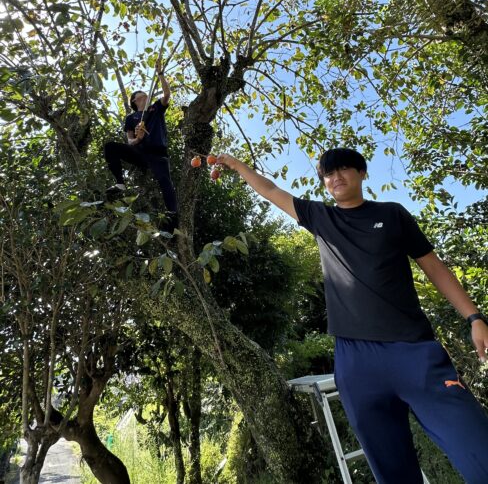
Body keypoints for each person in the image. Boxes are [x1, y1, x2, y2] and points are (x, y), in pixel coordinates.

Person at [216, 147, 488, 484]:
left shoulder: (392, 214)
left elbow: (434, 267)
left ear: (362, 173)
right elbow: (271, 190)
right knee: (393, 474)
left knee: (479, 452)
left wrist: (474, 317)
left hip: (414, 353)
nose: (336, 178)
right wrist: (235, 164)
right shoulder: (320, 218)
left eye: (343, 169)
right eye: (328, 174)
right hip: (356, 363)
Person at [104, 60, 177, 218]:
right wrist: (138, 139)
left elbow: (167, 94)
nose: (145, 97)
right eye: (142, 96)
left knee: (165, 182)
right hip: (141, 153)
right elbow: (129, 141)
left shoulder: (155, 108)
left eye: (146, 95)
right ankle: (120, 183)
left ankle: (173, 214)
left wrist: (160, 73)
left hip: (158, 154)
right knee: (110, 147)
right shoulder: (131, 118)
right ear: (134, 101)